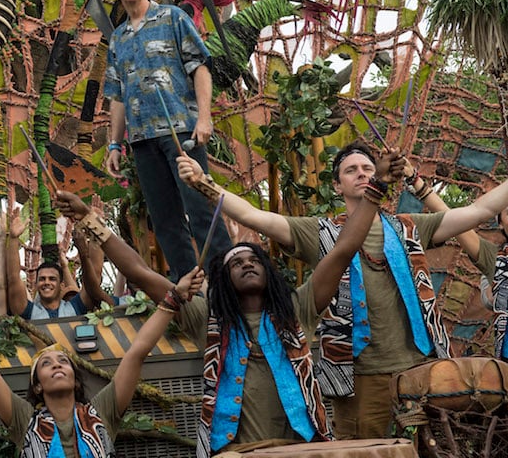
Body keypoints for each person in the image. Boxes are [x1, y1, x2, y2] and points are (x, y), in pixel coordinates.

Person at [176, 142, 508, 439]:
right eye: (351, 170)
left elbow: (479, 211)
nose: (362, 174)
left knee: (429, 449)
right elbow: (253, 215)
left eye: (367, 167)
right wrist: (204, 183)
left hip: (421, 368)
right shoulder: (317, 232)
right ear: (337, 185)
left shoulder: (411, 226)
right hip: (358, 378)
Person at [60, 174, 379, 456]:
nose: (247, 264)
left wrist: (375, 191)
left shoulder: (298, 308)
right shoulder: (207, 318)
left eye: (253, 260)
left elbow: (342, 249)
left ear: (268, 272)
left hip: (303, 449)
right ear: (223, 281)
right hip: (234, 452)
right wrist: (89, 218)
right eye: (235, 264)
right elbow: (139, 273)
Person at [0, 257, 203, 456]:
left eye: (63, 362)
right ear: (36, 385)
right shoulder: (23, 419)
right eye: (46, 364)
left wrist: (173, 299)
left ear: (75, 379)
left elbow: (136, 353)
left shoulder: (103, 410)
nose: (57, 365)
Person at [102, 0, 231, 280]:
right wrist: (115, 145)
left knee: (201, 209)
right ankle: (190, 290)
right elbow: (116, 96)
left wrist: (204, 118)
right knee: (164, 220)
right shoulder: (117, 39)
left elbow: (200, 68)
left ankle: (228, 282)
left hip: (182, 132)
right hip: (142, 142)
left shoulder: (172, 18)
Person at [3, 208, 106, 319]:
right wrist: (13, 238)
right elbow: (13, 279)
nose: (46, 282)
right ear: (36, 285)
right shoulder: (28, 312)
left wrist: (97, 227)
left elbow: (95, 276)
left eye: (52, 279)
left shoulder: (76, 308)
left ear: (62, 285)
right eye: (42, 279)